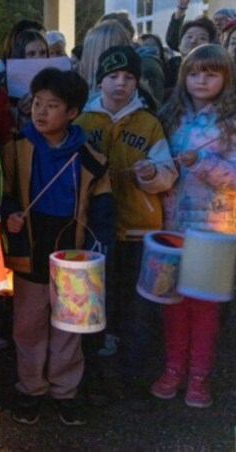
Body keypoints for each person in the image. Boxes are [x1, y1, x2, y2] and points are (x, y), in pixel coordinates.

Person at [3, 68, 114, 427]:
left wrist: (99, 250)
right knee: (28, 323)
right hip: (30, 247)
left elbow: (103, 209)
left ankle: (66, 390)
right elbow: (3, 196)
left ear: (72, 112)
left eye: (52, 105)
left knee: (69, 325)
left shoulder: (90, 158)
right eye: (37, 103)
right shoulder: (17, 147)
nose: (41, 111)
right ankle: (30, 388)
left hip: (74, 253)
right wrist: (10, 217)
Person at [75, 46, 178, 409]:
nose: (120, 84)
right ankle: (92, 380)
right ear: (99, 79)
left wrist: (153, 175)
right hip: (93, 231)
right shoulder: (82, 120)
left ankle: (130, 381)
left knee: (135, 312)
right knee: (96, 308)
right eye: (113, 76)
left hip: (137, 231)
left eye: (128, 77)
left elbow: (168, 174)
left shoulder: (148, 123)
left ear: (138, 81)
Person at [151, 44, 236, 409]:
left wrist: (201, 161)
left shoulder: (230, 123)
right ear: (184, 75)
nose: (201, 80)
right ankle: (173, 368)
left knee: (204, 308)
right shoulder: (171, 116)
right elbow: (162, 169)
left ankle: (199, 375)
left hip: (214, 233)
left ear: (226, 79)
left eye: (211, 73)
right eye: (195, 72)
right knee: (173, 302)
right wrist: (150, 172)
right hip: (173, 226)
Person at [165, 17, 217, 90]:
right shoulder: (167, 67)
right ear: (179, 45)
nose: (193, 41)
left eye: (202, 38)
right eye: (189, 36)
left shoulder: (215, 72)